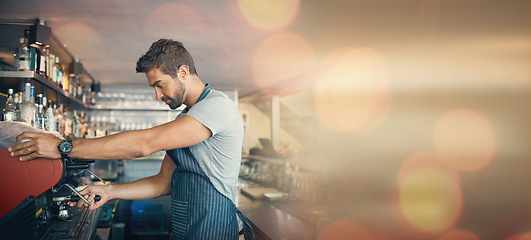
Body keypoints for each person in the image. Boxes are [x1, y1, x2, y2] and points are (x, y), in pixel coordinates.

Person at [8, 39, 253, 240]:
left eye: (160, 84)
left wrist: (64, 148)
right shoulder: (188, 117)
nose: (157, 95)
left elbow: (144, 144)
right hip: (186, 231)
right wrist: (110, 191)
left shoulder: (216, 107)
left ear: (183, 72)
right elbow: (162, 182)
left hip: (217, 232)